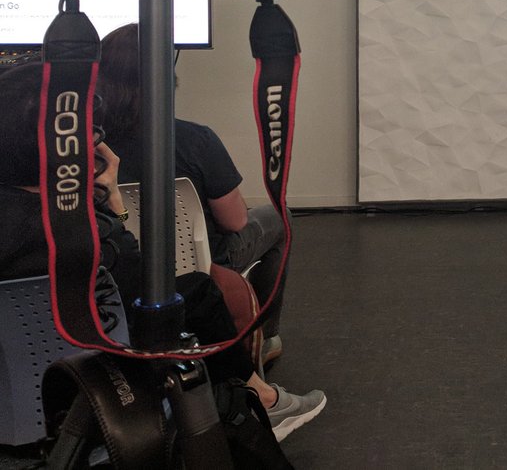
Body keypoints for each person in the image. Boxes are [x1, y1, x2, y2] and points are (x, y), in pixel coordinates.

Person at [0, 62, 325, 442]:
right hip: (106, 404)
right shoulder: (92, 235)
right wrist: (112, 202)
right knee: (198, 291)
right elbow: (150, 275)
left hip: (14, 409)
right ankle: (263, 399)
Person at [98, 22, 290, 366]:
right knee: (280, 218)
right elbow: (235, 222)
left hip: (119, 266)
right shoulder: (197, 140)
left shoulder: (87, 149)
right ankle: (266, 335)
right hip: (202, 262)